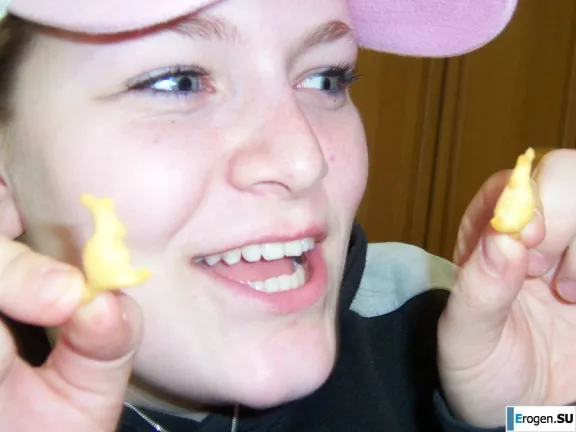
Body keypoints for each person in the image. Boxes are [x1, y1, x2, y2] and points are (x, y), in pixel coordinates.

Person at [1, 0, 575, 431]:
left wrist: (535, 414)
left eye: (327, 78)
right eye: (177, 82)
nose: (303, 159)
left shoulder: (433, 316)